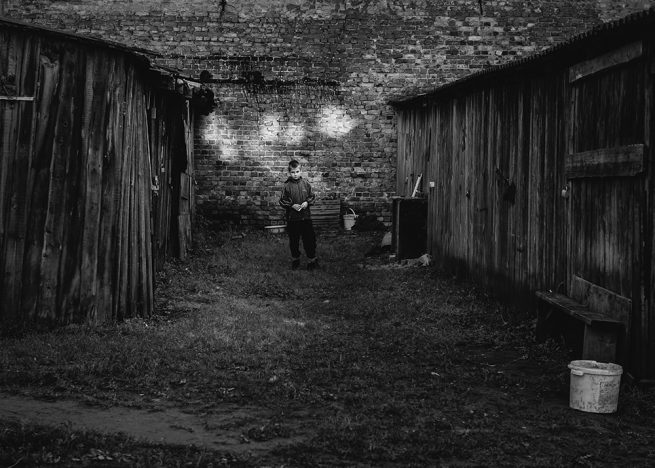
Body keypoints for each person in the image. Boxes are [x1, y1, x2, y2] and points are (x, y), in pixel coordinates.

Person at [279, 160, 318, 270]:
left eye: (297, 172)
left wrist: (307, 202)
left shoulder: (306, 184)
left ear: (301, 171)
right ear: (289, 172)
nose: (295, 174)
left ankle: (312, 260)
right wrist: (291, 205)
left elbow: (312, 196)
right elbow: (282, 200)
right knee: (294, 241)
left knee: (309, 240)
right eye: (293, 172)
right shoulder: (286, 186)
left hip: (306, 217)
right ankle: (295, 259)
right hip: (293, 219)